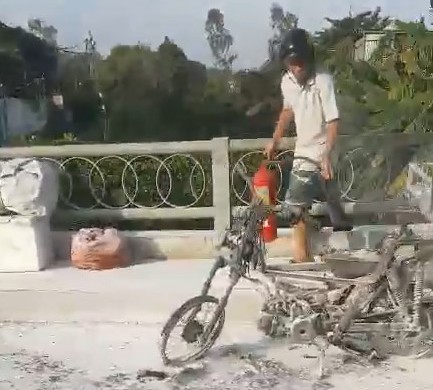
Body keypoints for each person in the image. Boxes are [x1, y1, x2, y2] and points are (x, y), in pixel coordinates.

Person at [264, 27, 351, 263]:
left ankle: (335, 252)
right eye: (292, 62)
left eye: (301, 61)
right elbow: (287, 110)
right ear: (286, 63)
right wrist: (275, 139)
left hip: (325, 151)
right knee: (297, 207)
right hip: (303, 152)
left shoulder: (323, 80)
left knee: (334, 209)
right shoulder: (287, 82)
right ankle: (303, 258)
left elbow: (333, 121)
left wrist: (326, 154)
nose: (298, 67)